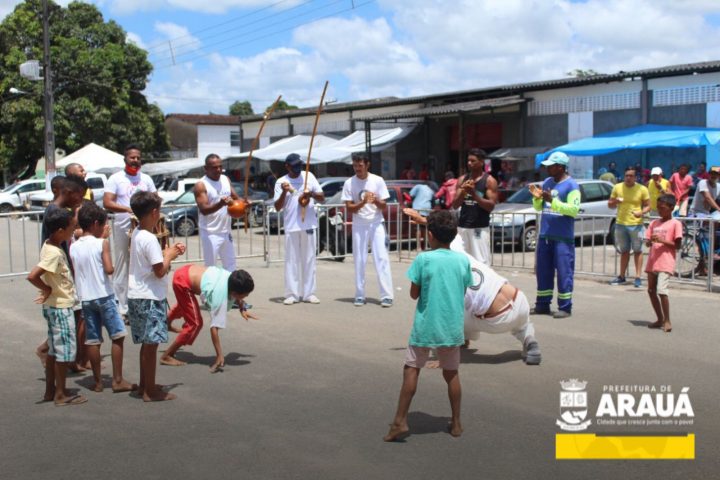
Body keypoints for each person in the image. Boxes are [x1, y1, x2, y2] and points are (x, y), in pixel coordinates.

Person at [403, 207, 541, 365]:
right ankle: (528, 338)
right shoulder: (456, 247)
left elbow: (446, 312)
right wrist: (423, 220)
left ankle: (454, 345)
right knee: (520, 324)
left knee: (451, 311)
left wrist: (441, 360)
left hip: (497, 319)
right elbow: (448, 230)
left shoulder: (439, 265)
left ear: (430, 236)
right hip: (520, 300)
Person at [383, 210, 472, 442]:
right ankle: (456, 422)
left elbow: (414, 294)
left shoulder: (424, 259)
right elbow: (462, 290)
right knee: (451, 373)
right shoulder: (463, 260)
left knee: (411, 369)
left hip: (425, 326)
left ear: (430, 235)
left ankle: (400, 421)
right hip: (451, 326)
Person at [70, 202, 135, 393]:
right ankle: (117, 379)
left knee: (93, 339)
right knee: (117, 336)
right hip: (104, 295)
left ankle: (97, 382)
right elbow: (109, 269)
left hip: (86, 297)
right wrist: (104, 240)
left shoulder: (74, 246)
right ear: (96, 224)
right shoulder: (101, 243)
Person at [127, 191, 185, 402]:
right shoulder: (149, 238)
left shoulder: (137, 233)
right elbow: (159, 271)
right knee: (151, 346)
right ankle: (149, 391)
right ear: (154, 213)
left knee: (147, 344)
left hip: (138, 294)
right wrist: (169, 255)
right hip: (149, 296)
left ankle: (145, 384)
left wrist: (167, 253)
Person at [26, 208, 88, 406]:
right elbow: (33, 275)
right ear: (60, 230)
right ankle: (61, 394)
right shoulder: (53, 252)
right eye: (72, 228)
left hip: (55, 306)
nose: (74, 231)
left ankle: (51, 390)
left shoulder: (51, 245)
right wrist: (46, 289)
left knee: (54, 351)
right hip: (61, 307)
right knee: (64, 352)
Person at [162, 265, 256, 372]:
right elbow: (214, 329)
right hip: (182, 282)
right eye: (245, 295)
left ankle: (167, 323)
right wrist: (219, 355)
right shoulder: (219, 298)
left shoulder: (231, 277)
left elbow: (236, 295)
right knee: (195, 323)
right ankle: (167, 356)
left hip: (187, 270)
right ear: (235, 293)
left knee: (185, 305)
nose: (246, 296)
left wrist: (242, 308)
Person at [103, 144, 157, 316]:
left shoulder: (146, 179)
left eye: (138, 158)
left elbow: (156, 198)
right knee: (123, 264)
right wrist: (128, 209)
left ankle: (142, 302)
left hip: (144, 227)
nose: (135, 160)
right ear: (125, 159)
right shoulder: (116, 178)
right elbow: (107, 202)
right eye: (132, 157)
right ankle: (122, 307)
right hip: (123, 227)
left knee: (145, 263)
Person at [530, 152, 580, 318]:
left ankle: (565, 307)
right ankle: (542, 304)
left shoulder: (572, 186)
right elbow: (539, 208)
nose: (547, 169)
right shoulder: (547, 182)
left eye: (550, 166)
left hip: (562, 238)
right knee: (543, 272)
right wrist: (537, 198)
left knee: (564, 273)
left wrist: (552, 201)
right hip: (545, 236)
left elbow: (573, 210)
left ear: (560, 167)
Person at [341, 153, 394, 307]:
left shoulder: (377, 180)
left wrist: (375, 200)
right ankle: (359, 295)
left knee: (381, 258)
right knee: (359, 259)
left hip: (376, 223)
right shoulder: (349, 183)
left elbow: (383, 206)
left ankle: (387, 295)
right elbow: (350, 208)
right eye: (355, 166)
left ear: (367, 165)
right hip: (359, 225)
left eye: (360, 165)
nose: (357, 168)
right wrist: (363, 202)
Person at [274, 153, 324, 305]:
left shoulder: (309, 176)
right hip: (291, 226)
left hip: (308, 224)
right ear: (287, 166)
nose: (298, 168)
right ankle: (292, 294)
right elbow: (277, 207)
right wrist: (284, 191)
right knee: (292, 261)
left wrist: (311, 193)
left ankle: (309, 293)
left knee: (309, 260)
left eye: (299, 165)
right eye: (294, 166)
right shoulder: (281, 181)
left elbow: (322, 197)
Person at [451, 148, 498, 265]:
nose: (469, 163)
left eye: (473, 161)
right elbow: (455, 205)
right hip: (462, 227)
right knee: (462, 262)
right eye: (468, 160)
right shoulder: (462, 179)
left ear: (481, 162)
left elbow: (491, 206)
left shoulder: (489, 181)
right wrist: (463, 192)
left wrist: (474, 194)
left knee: (481, 263)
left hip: (479, 228)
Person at [194, 153, 241, 271]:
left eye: (220, 166)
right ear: (206, 168)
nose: (218, 170)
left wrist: (245, 204)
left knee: (231, 266)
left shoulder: (225, 179)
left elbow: (236, 198)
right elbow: (204, 210)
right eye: (214, 167)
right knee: (210, 268)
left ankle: (230, 284)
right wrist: (220, 204)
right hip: (210, 233)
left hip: (226, 231)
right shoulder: (201, 185)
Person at [644, 195, 683, 333]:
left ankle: (667, 320)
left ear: (671, 208)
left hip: (665, 261)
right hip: (653, 261)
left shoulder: (675, 224)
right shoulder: (654, 223)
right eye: (658, 208)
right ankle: (659, 318)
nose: (659, 210)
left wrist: (662, 240)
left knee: (662, 290)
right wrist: (650, 241)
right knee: (651, 290)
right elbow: (647, 242)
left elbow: (677, 245)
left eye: (662, 208)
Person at [608, 166, 650, 287]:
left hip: (636, 225)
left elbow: (648, 205)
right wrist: (616, 201)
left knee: (638, 251)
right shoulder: (617, 187)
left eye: (631, 176)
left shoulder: (642, 189)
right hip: (620, 224)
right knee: (624, 251)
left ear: (635, 177)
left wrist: (641, 212)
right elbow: (610, 204)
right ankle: (621, 276)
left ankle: (638, 277)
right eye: (626, 175)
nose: (628, 178)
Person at [688, 166, 720, 275]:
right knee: (708, 234)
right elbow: (707, 197)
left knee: (714, 229)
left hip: (707, 214)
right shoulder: (702, 183)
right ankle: (709, 255)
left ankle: (711, 252)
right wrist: (719, 209)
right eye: (712, 173)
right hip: (696, 213)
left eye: (716, 174)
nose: (713, 175)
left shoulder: (718, 186)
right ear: (708, 174)